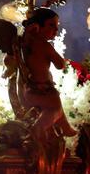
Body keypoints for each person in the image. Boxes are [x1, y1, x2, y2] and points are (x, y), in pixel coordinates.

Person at [20, 8, 76, 137]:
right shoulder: (45, 46)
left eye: (56, 26)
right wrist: (64, 61)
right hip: (41, 90)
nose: (56, 30)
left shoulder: (26, 43)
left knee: (56, 103)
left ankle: (65, 127)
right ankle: (36, 130)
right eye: (51, 25)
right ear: (37, 26)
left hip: (30, 89)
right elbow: (60, 64)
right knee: (55, 109)